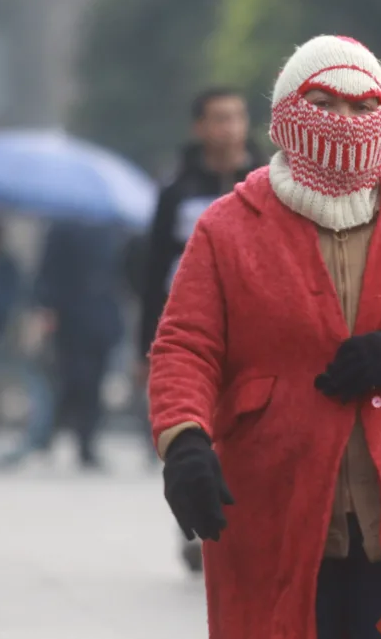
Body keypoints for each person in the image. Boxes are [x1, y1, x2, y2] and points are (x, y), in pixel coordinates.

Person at [148, 36, 381, 639]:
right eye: (322, 102)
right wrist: (184, 441)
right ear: (284, 112)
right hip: (276, 506)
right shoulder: (228, 227)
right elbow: (185, 348)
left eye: (363, 106)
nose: (343, 121)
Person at [138, 85, 262, 568]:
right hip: (192, 327)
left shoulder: (270, 180)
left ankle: (249, 519)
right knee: (194, 427)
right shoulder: (176, 192)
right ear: (200, 127)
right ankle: (195, 520)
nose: (229, 128)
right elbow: (152, 271)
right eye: (219, 118)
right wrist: (144, 346)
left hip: (253, 326)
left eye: (237, 117)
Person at [31, 220, 124, 467]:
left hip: (104, 317)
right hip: (71, 317)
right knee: (72, 379)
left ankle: (86, 443)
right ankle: (50, 435)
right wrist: (47, 306)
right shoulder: (62, 227)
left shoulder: (114, 228)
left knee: (93, 383)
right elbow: (48, 270)